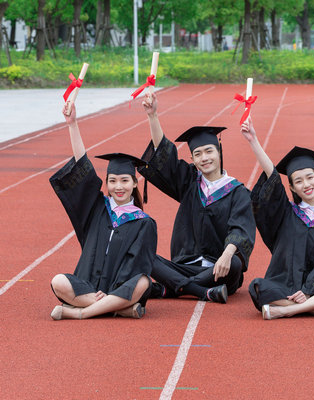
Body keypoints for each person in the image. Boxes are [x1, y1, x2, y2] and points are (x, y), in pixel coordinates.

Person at [138, 92, 255, 303]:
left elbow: (241, 228)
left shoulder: (237, 191)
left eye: (209, 151)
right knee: (143, 253)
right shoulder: (190, 182)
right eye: (198, 154)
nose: (204, 158)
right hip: (186, 263)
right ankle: (200, 291)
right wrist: (152, 116)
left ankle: (172, 287)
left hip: (219, 268)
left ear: (219, 151)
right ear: (192, 158)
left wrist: (227, 255)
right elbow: (166, 158)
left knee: (235, 264)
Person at [241, 118, 314, 320]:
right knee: (258, 286)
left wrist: (307, 291)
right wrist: (253, 141)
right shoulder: (287, 214)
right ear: (291, 188)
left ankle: (287, 310)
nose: (306, 184)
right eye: (298, 181)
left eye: (310, 177)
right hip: (283, 284)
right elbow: (273, 180)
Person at [49, 104, 157, 320]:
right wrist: (72, 125)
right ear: (106, 183)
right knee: (58, 281)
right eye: (113, 181)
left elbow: (137, 264)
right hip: (89, 285)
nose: (119, 187)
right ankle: (118, 309)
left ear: (135, 183)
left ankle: (80, 313)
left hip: (120, 287)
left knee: (144, 282)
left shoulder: (144, 223)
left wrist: (115, 289)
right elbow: (83, 168)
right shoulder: (97, 207)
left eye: (125, 181)